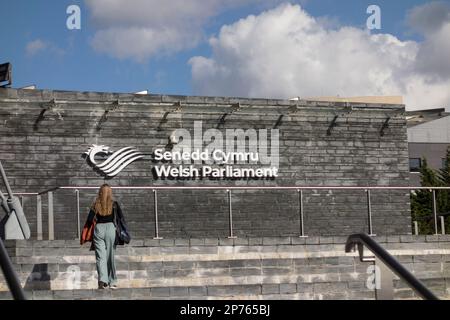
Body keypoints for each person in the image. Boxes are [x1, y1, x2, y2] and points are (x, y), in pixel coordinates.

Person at [83, 184, 127, 290]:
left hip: (99, 229)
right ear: (110, 192)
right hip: (111, 229)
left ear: (100, 192)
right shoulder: (114, 204)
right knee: (110, 256)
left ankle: (103, 281)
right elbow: (121, 218)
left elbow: (89, 220)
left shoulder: (96, 204)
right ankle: (112, 282)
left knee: (100, 257)